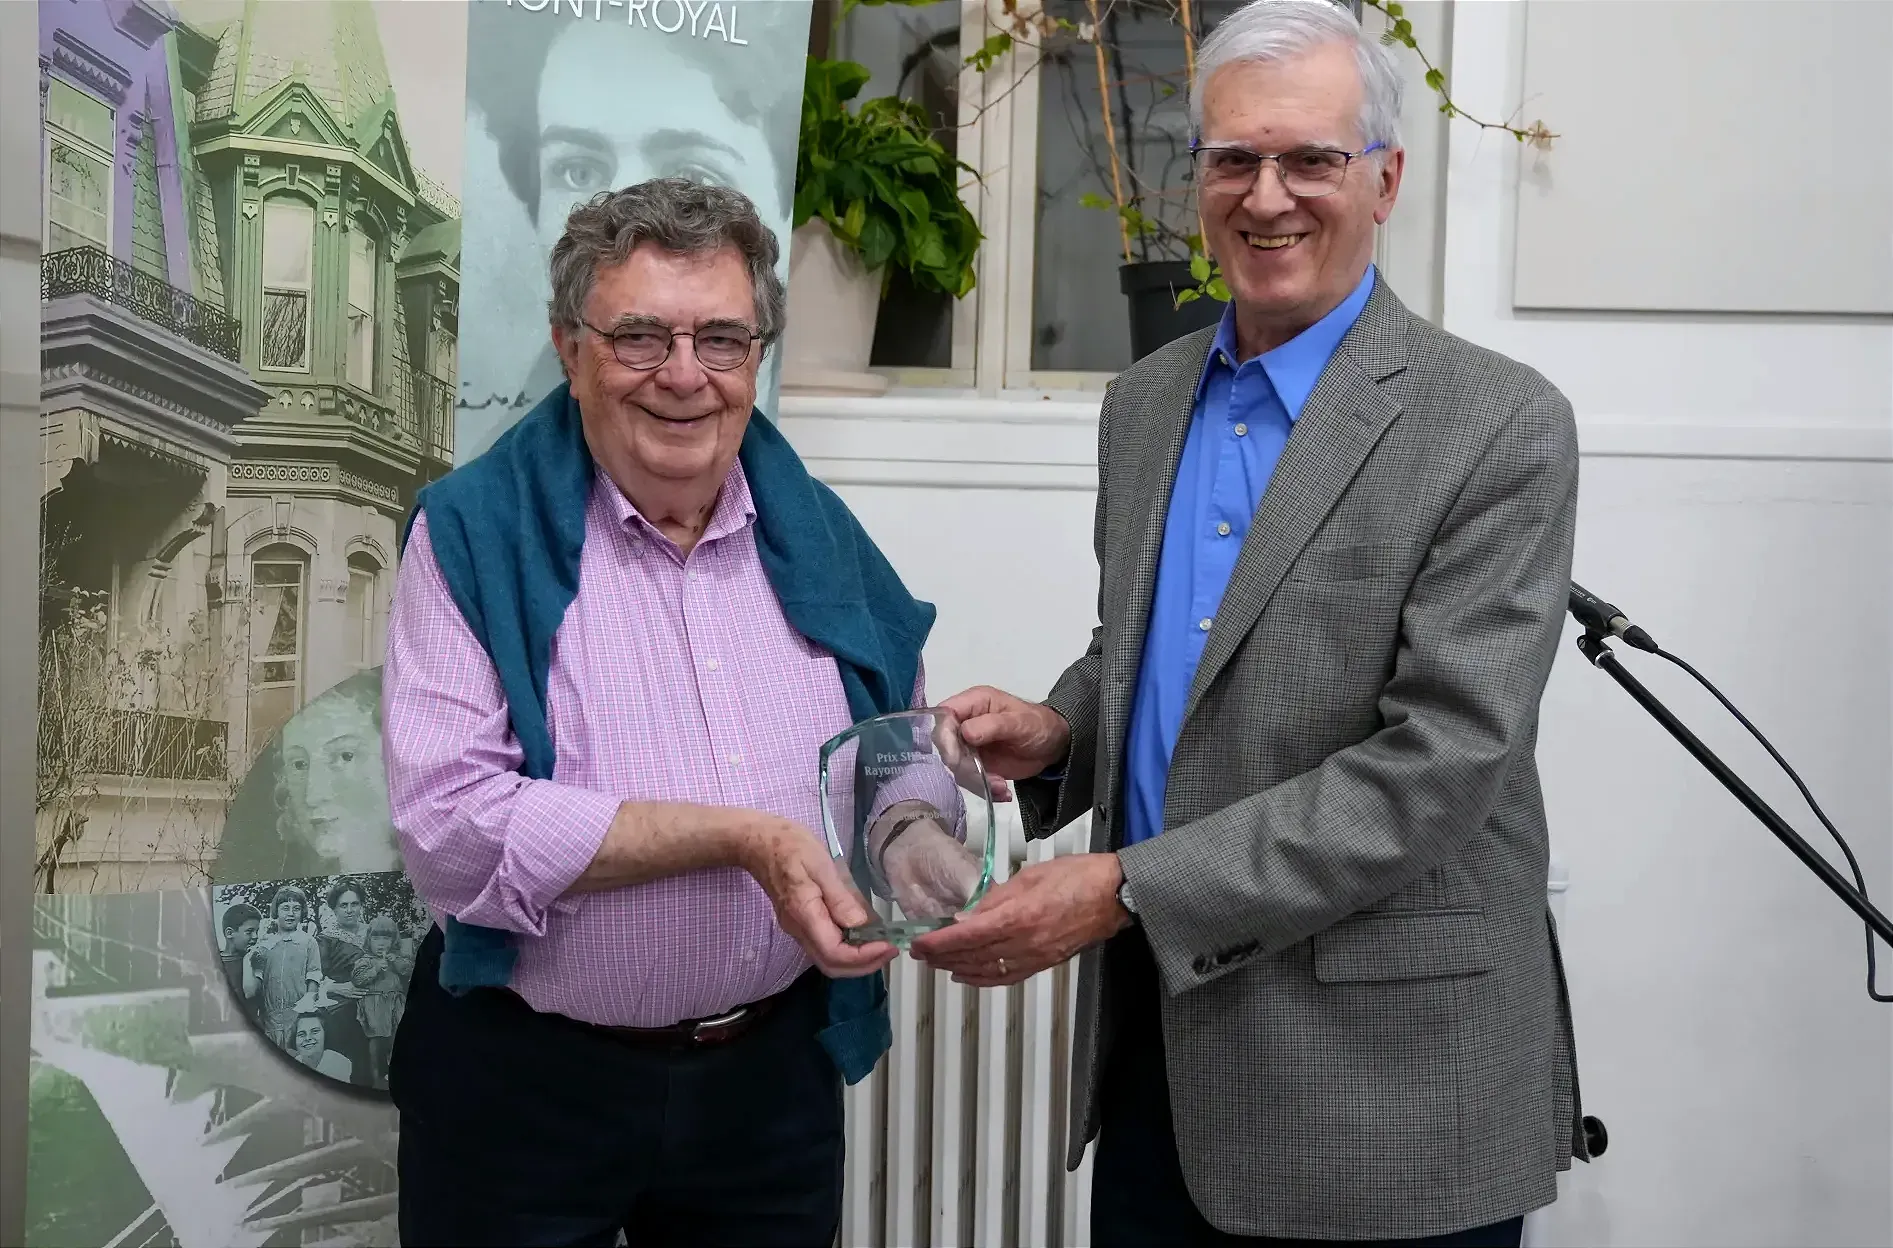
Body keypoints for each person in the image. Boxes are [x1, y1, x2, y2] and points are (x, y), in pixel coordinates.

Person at [912, 2, 1590, 1245]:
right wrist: (1062, 730)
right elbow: (1164, 646)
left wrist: (1121, 889)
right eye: (1232, 158)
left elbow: (1435, 770)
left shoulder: (1498, 424)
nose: (1265, 195)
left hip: (1386, 1087)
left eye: (1310, 159)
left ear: (1384, 179)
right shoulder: (1147, 400)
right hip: (1165, 1065)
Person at [381, 177, 970, 1247]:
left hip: (766, 1096)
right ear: (570, 348)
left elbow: (899, 755)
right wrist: (735, 838)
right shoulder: (471, 535)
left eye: (724, 340)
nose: (686, 377)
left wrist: (924, 854)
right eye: (641, 338)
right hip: (524, 1092)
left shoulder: (820, 531)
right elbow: (451, 832)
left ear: (760, 355)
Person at [254, 885, 324, 1049]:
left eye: (296, 909)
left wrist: (307, 1006)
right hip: (269, 1017)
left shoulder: (308, 942)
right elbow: (257, 980)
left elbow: (314, 975)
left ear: (302, 912)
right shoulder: (266, 944)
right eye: (285, 908)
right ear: (276, 911)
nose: (291, 913)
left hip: (297, 1015)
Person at [351, 913, 413, 1089]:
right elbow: (357, 979)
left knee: (398, 1040)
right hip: (374, 1006)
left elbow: (409, 971)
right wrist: (376, 967)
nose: (381, 943)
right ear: (368, 940)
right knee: (376, 1043)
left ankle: (399, 1076)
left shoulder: (397, 959)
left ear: (393, 940)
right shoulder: (365, 960)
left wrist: (397, 962)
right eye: (376, 938)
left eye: (386, 938)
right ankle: (377, 1078)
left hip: (396, 1004)